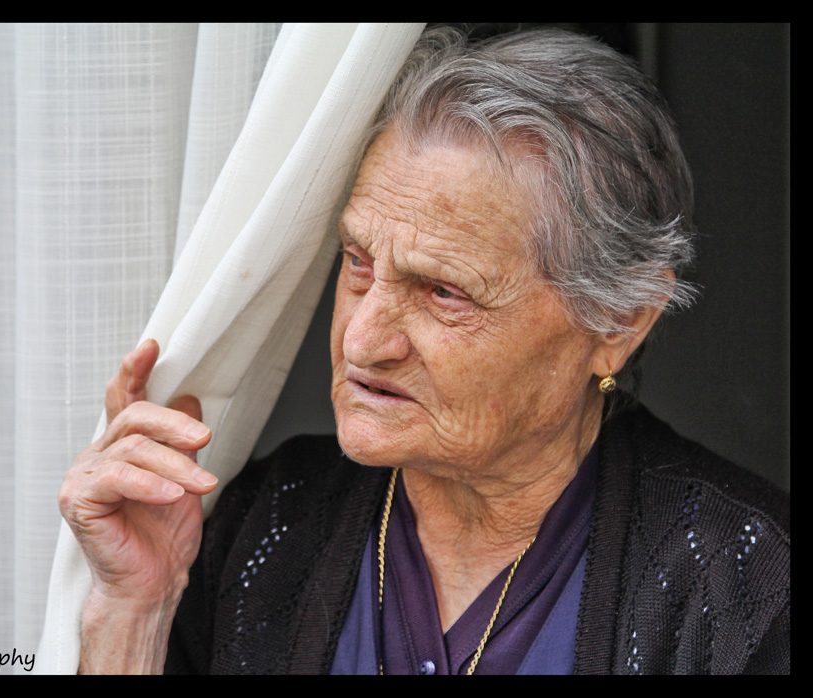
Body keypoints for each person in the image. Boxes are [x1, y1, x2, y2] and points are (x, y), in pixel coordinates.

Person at [58, 26, 789, 674]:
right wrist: (136, 611)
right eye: (357, 262)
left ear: (617, 324)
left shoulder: (747, 588)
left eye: (444, 291)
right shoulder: (266, 522)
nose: (362, 340)